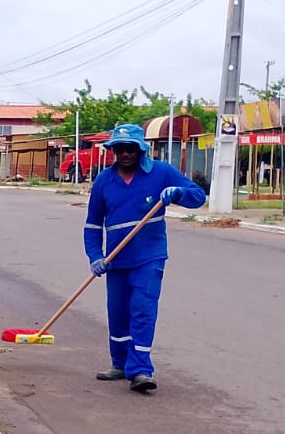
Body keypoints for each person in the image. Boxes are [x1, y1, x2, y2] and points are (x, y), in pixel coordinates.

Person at [83, 123, 206, 393]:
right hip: (115, 261)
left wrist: (178, 193)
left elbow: (198, 196)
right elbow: (92, 225)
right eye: (120, 149)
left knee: (142, 310)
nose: (125, 154)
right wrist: (95, 256)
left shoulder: (161, 173)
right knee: (117, 314)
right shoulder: (104, 180)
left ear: (141, 150)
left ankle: (140, 370)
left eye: (131, 149)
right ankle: (120, 364)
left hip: (149, 258)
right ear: (113, 150)